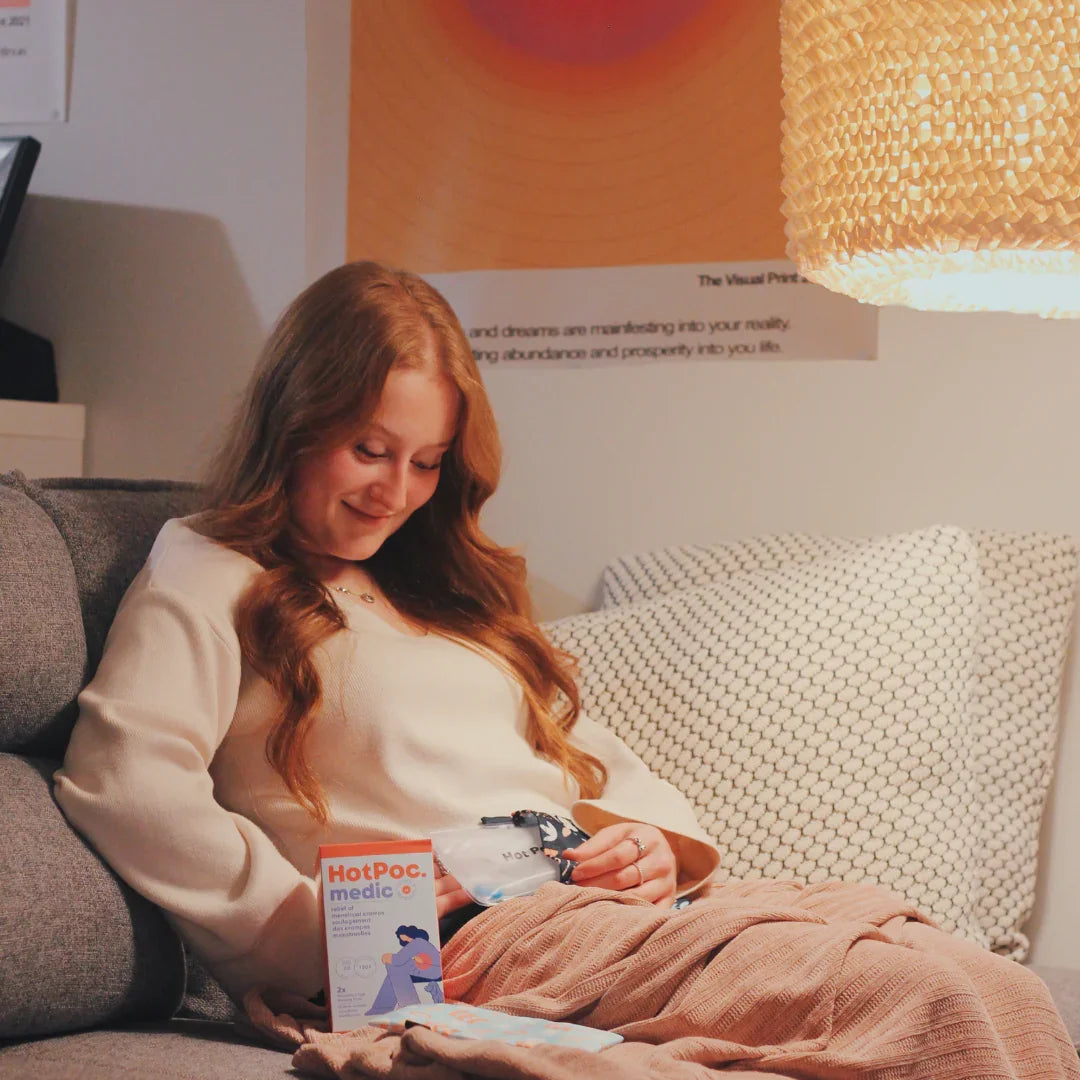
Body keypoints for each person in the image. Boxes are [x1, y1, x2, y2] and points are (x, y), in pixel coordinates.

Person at [54, 262, 1079, 1079]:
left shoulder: (444, 596)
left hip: (595, 909)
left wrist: (652, 850)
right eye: (370, 449)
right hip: (461, 938)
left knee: (990, 984)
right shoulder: (213, 569)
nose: (396, 493)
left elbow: (589, 758)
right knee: (933, 1007)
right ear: (296, 418)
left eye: (426, 463)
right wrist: (301, 932)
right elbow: (125, 780)